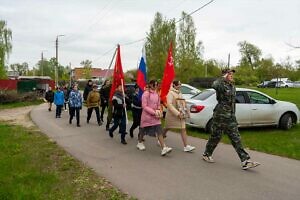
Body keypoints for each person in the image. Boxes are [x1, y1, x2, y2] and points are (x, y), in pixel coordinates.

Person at [202, 69, 260, 170]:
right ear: (225, 75)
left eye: (232, 74)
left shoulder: (232, 86)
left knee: (236, 138)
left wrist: (233, 115)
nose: (232, 75)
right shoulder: (220, 85)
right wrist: (222, 77)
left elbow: (232, 103)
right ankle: (207, 154)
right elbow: (214, 85)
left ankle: (245, 161)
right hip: (220, 116)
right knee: (216, 136)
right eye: (230, 74)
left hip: (230, 117)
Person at [136, 80, 172, 156]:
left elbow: (158, 104)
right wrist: (153, 112)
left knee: (159, 130)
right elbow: (144, 106)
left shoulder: (157, 94)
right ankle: (139, 142)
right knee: (143, 130)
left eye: (156, 85)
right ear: (150, 85)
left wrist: (159, 110)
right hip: (147, 116)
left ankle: (163, 148)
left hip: (156, 116)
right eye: (154, 85)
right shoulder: (146, 94)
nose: (155, 86)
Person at [163, 80, 196, 152]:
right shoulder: (170, 93)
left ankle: (186, 146)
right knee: (167, 127)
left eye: (180, 84)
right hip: (172, 115)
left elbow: (183, 102)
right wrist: (177, 113)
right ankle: (161, 139)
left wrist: (187, 112)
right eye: (179, 84)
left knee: (183, 129)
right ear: (174, 85)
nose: (180, 85)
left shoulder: (180, 93)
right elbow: (169, 105)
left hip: (181, 115)